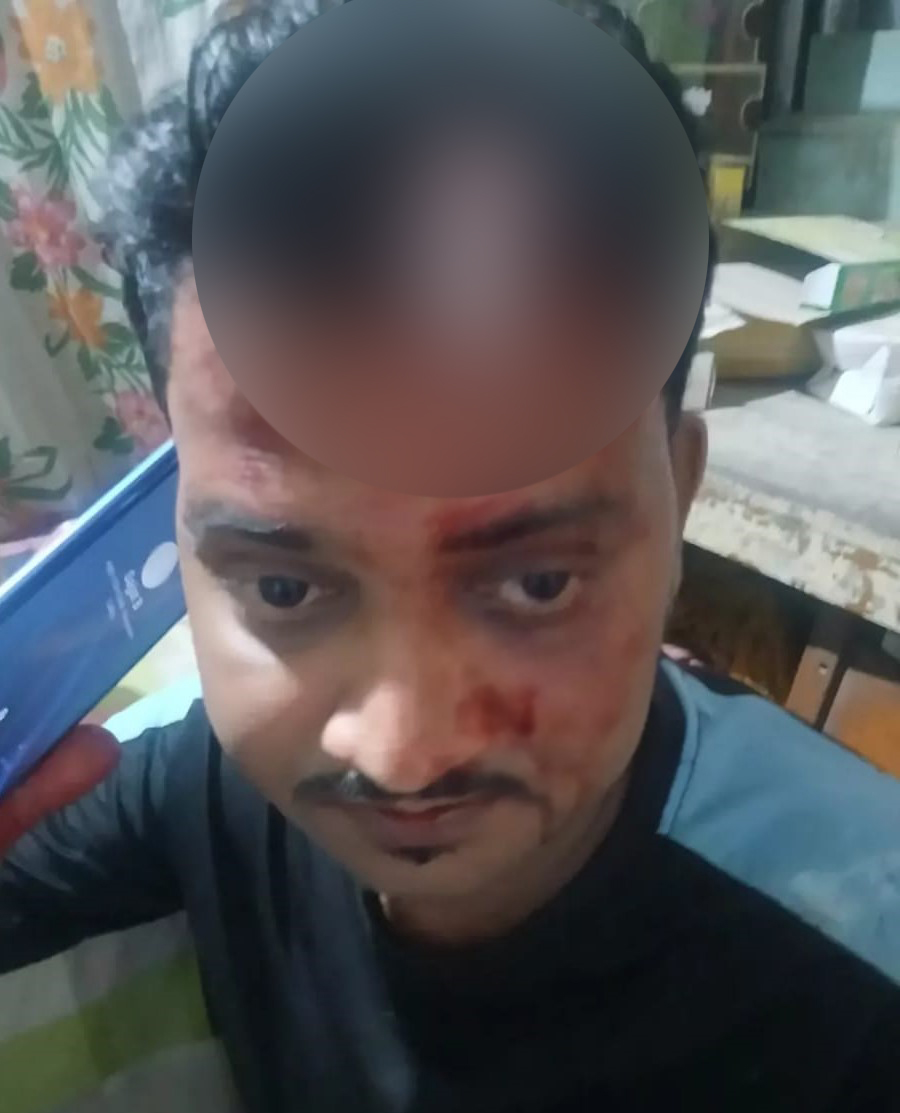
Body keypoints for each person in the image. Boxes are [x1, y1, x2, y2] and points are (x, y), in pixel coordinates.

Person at [2, 3, 899, 1111]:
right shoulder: (212, 786)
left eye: (538, 582)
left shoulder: (862, 988)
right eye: (284, 588)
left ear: (679, 501)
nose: (403, 754)